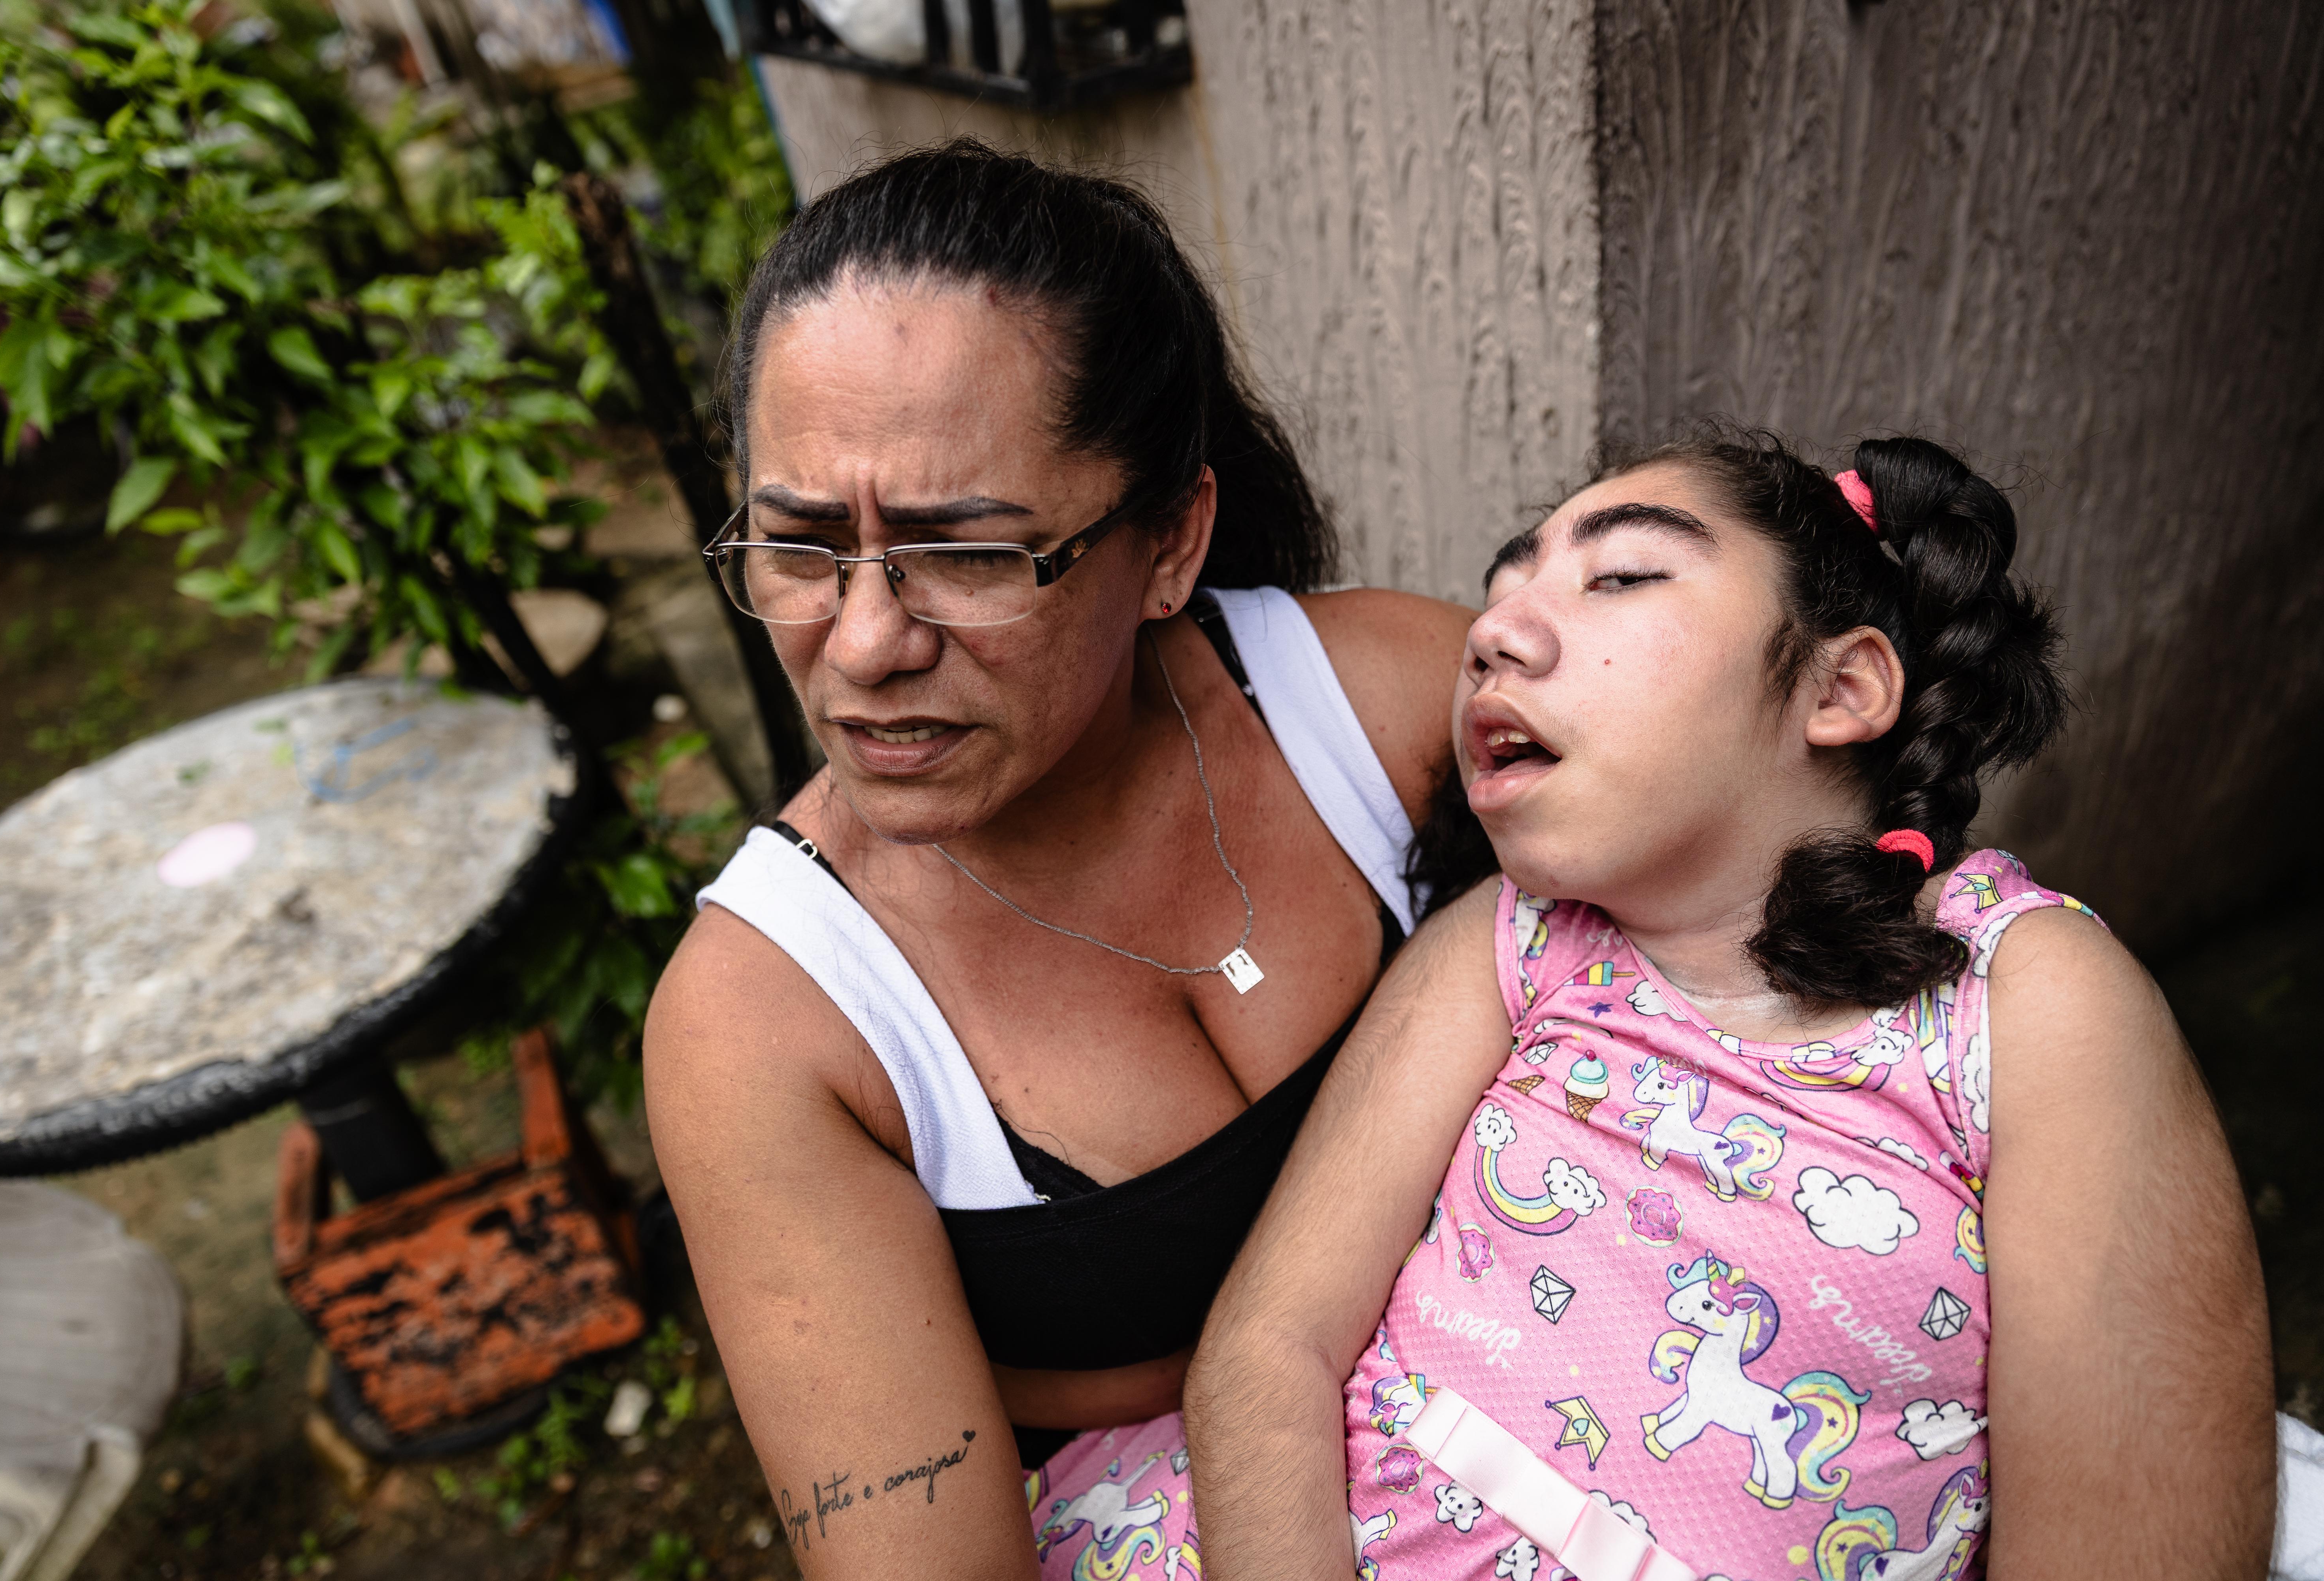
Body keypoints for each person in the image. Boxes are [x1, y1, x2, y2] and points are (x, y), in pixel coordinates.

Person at [1179, 430, 2277, 1579]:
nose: (1491, 635)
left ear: (1839, 686)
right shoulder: (1514, 944)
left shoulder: (2024, 1005)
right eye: (1503, 592)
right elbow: (1268, 1351)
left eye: (1620, 578)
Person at [641, 141, 1473, 1579]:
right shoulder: (770, 1029)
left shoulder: (1393, 715)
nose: (863, 646)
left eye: (965, 554)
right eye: (797, 547)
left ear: (1169, 543)